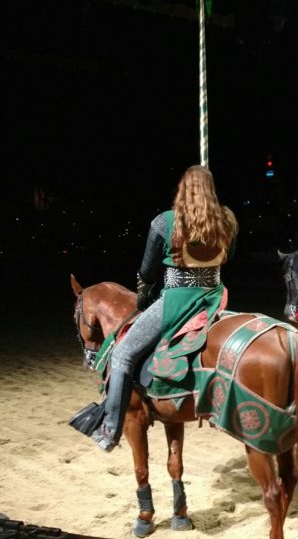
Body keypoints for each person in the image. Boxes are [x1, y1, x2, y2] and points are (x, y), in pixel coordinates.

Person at [78, 166, 237, 451]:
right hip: (214, 298)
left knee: (123, 353)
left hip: (177, 301)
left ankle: (109, 429)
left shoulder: (165, 222)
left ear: (182, 190)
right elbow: (228, 257)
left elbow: (147, 272)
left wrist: (143, 298)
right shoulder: (226, 220)